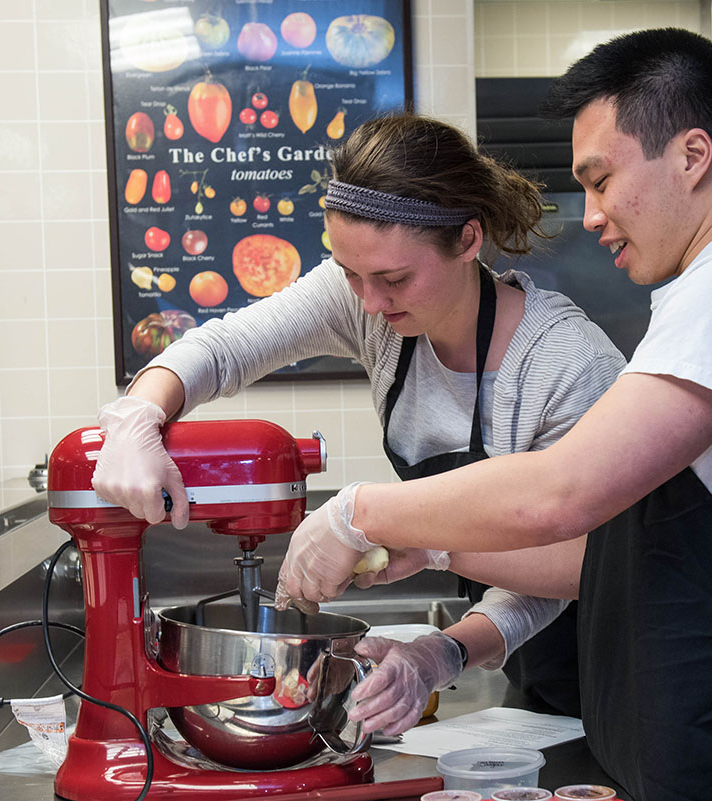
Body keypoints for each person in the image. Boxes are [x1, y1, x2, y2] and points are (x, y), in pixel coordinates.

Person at [276, 27, 712, 801]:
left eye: (602, 178)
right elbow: (605, 545)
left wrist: (361, 513)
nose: (590, 213)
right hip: (679, 728)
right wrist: (437, 568)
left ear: (692, 155)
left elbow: (563, 493)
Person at [90, 113, 626, 719]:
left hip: (615, 672)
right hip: (526, 676)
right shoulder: (371, 304)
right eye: (351, 275)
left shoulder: (565, 364)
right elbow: (222, 349)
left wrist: (439, 634)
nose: (369, 302)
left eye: (394, 278)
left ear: (468, 240)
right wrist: (139, 414)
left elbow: (579, 562)